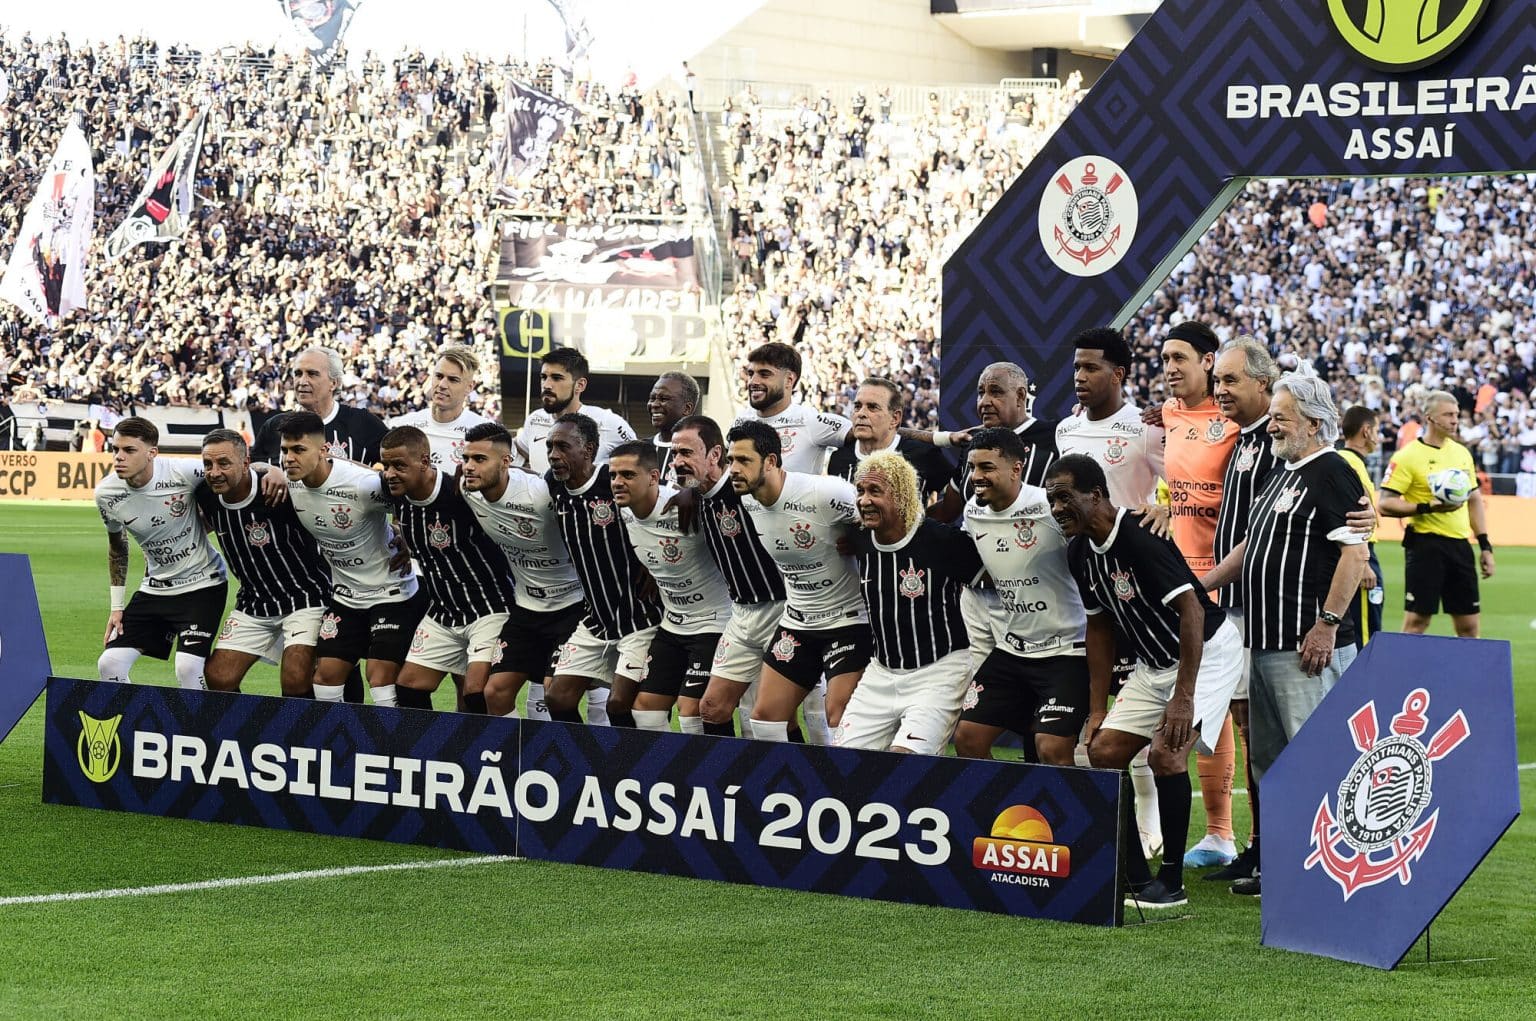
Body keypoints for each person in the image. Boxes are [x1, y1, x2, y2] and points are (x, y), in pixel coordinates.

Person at [1202, 369, 1370, 897]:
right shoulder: (1285, 472)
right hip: (1266, 641)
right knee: (1271, 763)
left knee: (1315, 759)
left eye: (1281, 418)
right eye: (1272, 416)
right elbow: (1250, 548)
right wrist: (1199, 588)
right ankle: (1281, 863)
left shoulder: (1332, 470)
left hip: (1306, 648)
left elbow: (1354, 552)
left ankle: (1332, 868)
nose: (1272, 427)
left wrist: (1327, 625)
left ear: (1315, 423)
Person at [1048, 454, 1243, 909]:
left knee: (1167, 756)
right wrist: (1098, 709)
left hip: (1207, 652)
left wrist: (1183, 697)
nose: (1057, 509)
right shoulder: (1078, 551)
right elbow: (1097, 629)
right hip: (1153, 664)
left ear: (1095, 495)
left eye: (1064, 497)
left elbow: (1193, 609)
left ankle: (1170, 882)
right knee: (1104, 752)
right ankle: (1134, 874)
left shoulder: (1139, 536)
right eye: (1052, 500)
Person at [1054, 326, 1167, 857]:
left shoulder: (1147, 429)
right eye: (1076, 367)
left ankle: (1149, 833)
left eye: (1091, 368)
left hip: (1138, 595)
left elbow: (1180, 486)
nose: (1080, 377)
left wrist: (1165, 506)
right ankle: (1101, 830)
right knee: (1092, 724)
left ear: (1119, 373)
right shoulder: (1065, 431)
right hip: (1085, 592)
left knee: (1134, 730)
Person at [1153, 320, 1241, 869]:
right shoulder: (1164, 417)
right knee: (1203, 707)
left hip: (1226, 579)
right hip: (1180, 581)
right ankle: (1219, 835)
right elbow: (1170, 487)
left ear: (1208, 362)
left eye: (1180, 357)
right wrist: (1164, 504)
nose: (1169, 367)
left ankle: (1241, 838)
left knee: (1239, 707)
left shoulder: (1235, 424)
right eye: (1164, 357)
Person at [1195, 336, 1284, 881]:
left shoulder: (1274, 443)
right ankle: (1257, 846)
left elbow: (1262, 536)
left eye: (1231, 381)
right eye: (1219, 380)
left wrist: (1204, 584)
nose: (1221, 390)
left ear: (1264, 385)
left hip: (1262, 611)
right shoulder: (1244, 440)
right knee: (1248, 727)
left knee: (1264, 734)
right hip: (1236, 609)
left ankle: (1270, 848)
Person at [726, 419, 871, 742]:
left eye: (743, 460)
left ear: (772, 461)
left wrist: (861, 540)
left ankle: (849, 790)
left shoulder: (825, 492)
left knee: (839, 715)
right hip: (797, 622)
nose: (734, 469)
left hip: (848, 621)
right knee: (764, 720)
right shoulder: (748, 498)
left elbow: (890, 524)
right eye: (730, 460)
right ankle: (794, 786)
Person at [953, 427, 1088, 765]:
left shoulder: (1049, 505)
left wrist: (1155, 512)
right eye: (972, 468)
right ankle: (1000, 815)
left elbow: (1106, 523)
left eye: (986, 468)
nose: (976, 477)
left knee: (1052, 748)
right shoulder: (973, 511)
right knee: (968, 738)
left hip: (1066, 651)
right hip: (1012, 648)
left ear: (1016, 469)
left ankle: (1071, 816)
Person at [836, 452, 982, 754]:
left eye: (875, 491)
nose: (864, 500)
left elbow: (995, 587)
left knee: (904, 763)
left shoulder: (943, 542)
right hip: (880, 672)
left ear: (902, 495)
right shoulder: (860, 536)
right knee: (843, 766)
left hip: (939, 671)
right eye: (860, 491)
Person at [280, 411, 428, 707]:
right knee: (325, 678)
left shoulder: (362, 485)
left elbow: (412, 495)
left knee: (380, 679)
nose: (288, 458)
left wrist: (412, 540)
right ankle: (336, 748)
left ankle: (395, 748)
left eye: (298, 450)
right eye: (284, 450)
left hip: (392, 593)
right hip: (346, 596)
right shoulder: (288, 483)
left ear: (323, 451)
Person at [673, 415, 794, 740]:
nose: (677, 462)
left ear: (714, 455)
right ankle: (727, 781)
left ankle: (801, 783)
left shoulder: (747, 488)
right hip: (741, 615)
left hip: (783, 611)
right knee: (711, 707)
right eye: (675, 454)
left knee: (784, 717)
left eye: (686, 453)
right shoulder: (698, 496)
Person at [380, 426, 516, 713]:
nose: (390, 473)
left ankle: (505, 755)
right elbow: (348, 474)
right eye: (387, 465)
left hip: (489, 608)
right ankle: (429, 754)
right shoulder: (393, 491)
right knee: (408, 688)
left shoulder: (461, 491)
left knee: (477, 693)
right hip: (442, 611)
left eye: (399, 466)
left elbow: (511, 490)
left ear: (425, 462)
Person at [460, 422, 585, 721]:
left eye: (479, 459)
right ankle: (516, 761)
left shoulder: (541, 495)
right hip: (526, 608)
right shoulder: (469, 491)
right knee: (495, 692)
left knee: (556, 697)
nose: (468, 467)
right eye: (466, 458)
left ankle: (575, 761)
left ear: (506, 461)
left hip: (571, 606)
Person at [544, 413, 663, 726]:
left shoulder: (613, 482)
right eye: (549, 447)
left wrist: (656, 563)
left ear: (588, 449)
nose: (554, 455)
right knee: (558, 698)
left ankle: (630, 770)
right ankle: (584, 765)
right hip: (595, 619)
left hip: (639, 617)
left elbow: (663, 506)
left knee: (619, 705)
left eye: (562, 447)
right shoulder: (552, 485)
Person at [94, 417, 228, 689]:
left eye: (129, 450)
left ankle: (203, 728)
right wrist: (117, 606)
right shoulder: (106, 493)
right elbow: (117, 546)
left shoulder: (183, 471)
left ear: (152, 453)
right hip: (155, 590)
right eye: (115, 449)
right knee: (109, 664)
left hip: (203, 585)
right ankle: (131, 726)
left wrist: (265, 468)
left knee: (189, 668)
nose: (119, 457)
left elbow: (232, 472)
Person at [610, 440, 733, 734]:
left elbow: (724, 500)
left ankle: (714, 777)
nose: (617, 483)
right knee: (645, 712)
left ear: (653, 477)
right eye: (613, 475)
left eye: (627, 475)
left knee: (692, 711)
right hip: (672, 624)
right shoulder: (622, 509)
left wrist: (693, 492)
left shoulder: (683, 504)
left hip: (713, 623)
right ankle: (663, 778)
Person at [196, 429, 331, 697]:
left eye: (224, 463)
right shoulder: (205, 493)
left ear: (245, 463)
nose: (214, 472)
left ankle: (304, 735)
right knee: (218, 677)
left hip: (306, 596)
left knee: (295, 679)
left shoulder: (277, 489)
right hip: (254, 601)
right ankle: (241, 734)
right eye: (208, 464)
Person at [1378, 390, 1495, 638]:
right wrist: (1427, 506)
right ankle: (1405, 675)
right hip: (1425, 545)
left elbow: (1474, 499)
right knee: (1417, 622)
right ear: (1429, 417)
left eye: (1456, 415)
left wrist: (1485, 545)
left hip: (1460, 546)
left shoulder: (1461, 453)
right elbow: (1385, 504)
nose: (1455, 420)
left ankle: (1468, 677)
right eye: (1448, 415)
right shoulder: (1408, 456)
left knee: (1469, 626)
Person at [930, 361, 1057, 522]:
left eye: (996, 392)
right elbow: (946, 512)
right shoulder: (973, 442)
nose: (984, 402)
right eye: (981, 393)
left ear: (1020, 396)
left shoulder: (1054, 436)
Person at [252, 346, 388, 466]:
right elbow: (251, 470)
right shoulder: (274, 426)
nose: (302, 381)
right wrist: (268, 470)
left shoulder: (362, 423)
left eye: (312, 374)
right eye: (298, 374)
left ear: (333, 383)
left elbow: (397, 466)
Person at [827, 377, 953, 503]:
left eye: (872, 407)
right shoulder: (838, 458)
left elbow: (954, 501)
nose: (861, 413)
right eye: (857, 406)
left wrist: (923, 521)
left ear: (895, 418)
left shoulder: (924, 455)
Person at [516, 347, 636, 474]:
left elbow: (640, 460)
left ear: (580, 385)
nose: (546, 385)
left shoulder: (608, 422)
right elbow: (521, 450)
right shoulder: (534, 419)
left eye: (556, 378)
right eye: (543, 377)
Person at [741, 341, 852, 475]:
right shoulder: (741, 419)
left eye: (764, 374)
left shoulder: (810, 421)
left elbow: (866, 434)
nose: (753, 381)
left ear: (789, 380)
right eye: (751, 374)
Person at [385, 346, 492, 469]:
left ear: (469, 387)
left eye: (453, 380)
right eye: (439, 376)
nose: (442, 385)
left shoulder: (486, 433)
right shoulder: (405, 426)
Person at [1338, 405, 1384, 648]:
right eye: (1377, 430)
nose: (1379, 436)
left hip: (1358, 552)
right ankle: (1365, 684)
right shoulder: (1349, 462)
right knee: (1365, 631)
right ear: (1366, 431)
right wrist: (1363, 563)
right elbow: (1353, 514)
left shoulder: (1349, 460)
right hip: (1361, 554)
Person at [646, 370, 700, 484]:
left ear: (687, 409)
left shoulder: (702, 453)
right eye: (652, 398)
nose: (654, 404)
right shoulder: (640, 450)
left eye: (663, 399)